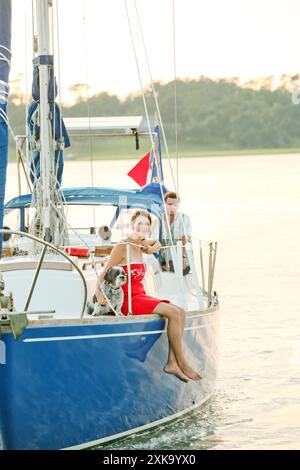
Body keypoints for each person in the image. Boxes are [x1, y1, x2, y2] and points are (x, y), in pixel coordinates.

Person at [95, 209, 201, 383]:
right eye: (140, 223)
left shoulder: (141, 245)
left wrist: (152, 245)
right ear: (132, 225)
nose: (143, 227)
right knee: (173, 313)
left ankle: (172, 362)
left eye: (147, 224)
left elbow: (155, 246)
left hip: (140, 295)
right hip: (128, 299)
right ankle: (182, 363)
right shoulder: (122, 246)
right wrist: (100, 296)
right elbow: (104, 272)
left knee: (181, 311)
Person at [160, 191, 192, 275]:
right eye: (169, 204)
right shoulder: (159, 220)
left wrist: (183, 257)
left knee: (173, 270)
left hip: (180, 260)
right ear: (164, 204)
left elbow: (184, 238)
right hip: (162, 260)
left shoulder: (184, 218)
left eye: (175, 205)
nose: (172, 207)